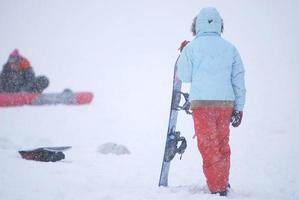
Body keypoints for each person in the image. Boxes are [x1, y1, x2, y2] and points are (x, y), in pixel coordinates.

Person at [177, 7, 246, 196]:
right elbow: (238, 79)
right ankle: (222, 181)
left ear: (196, 25)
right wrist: (239, 108)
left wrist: (184, 53)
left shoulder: (191, 48)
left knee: (209, 145)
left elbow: (184, 75)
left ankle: (218, 188)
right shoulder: (230, 48)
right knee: (223, 144)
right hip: (225, 104)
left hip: (202, 104)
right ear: (219, 25)